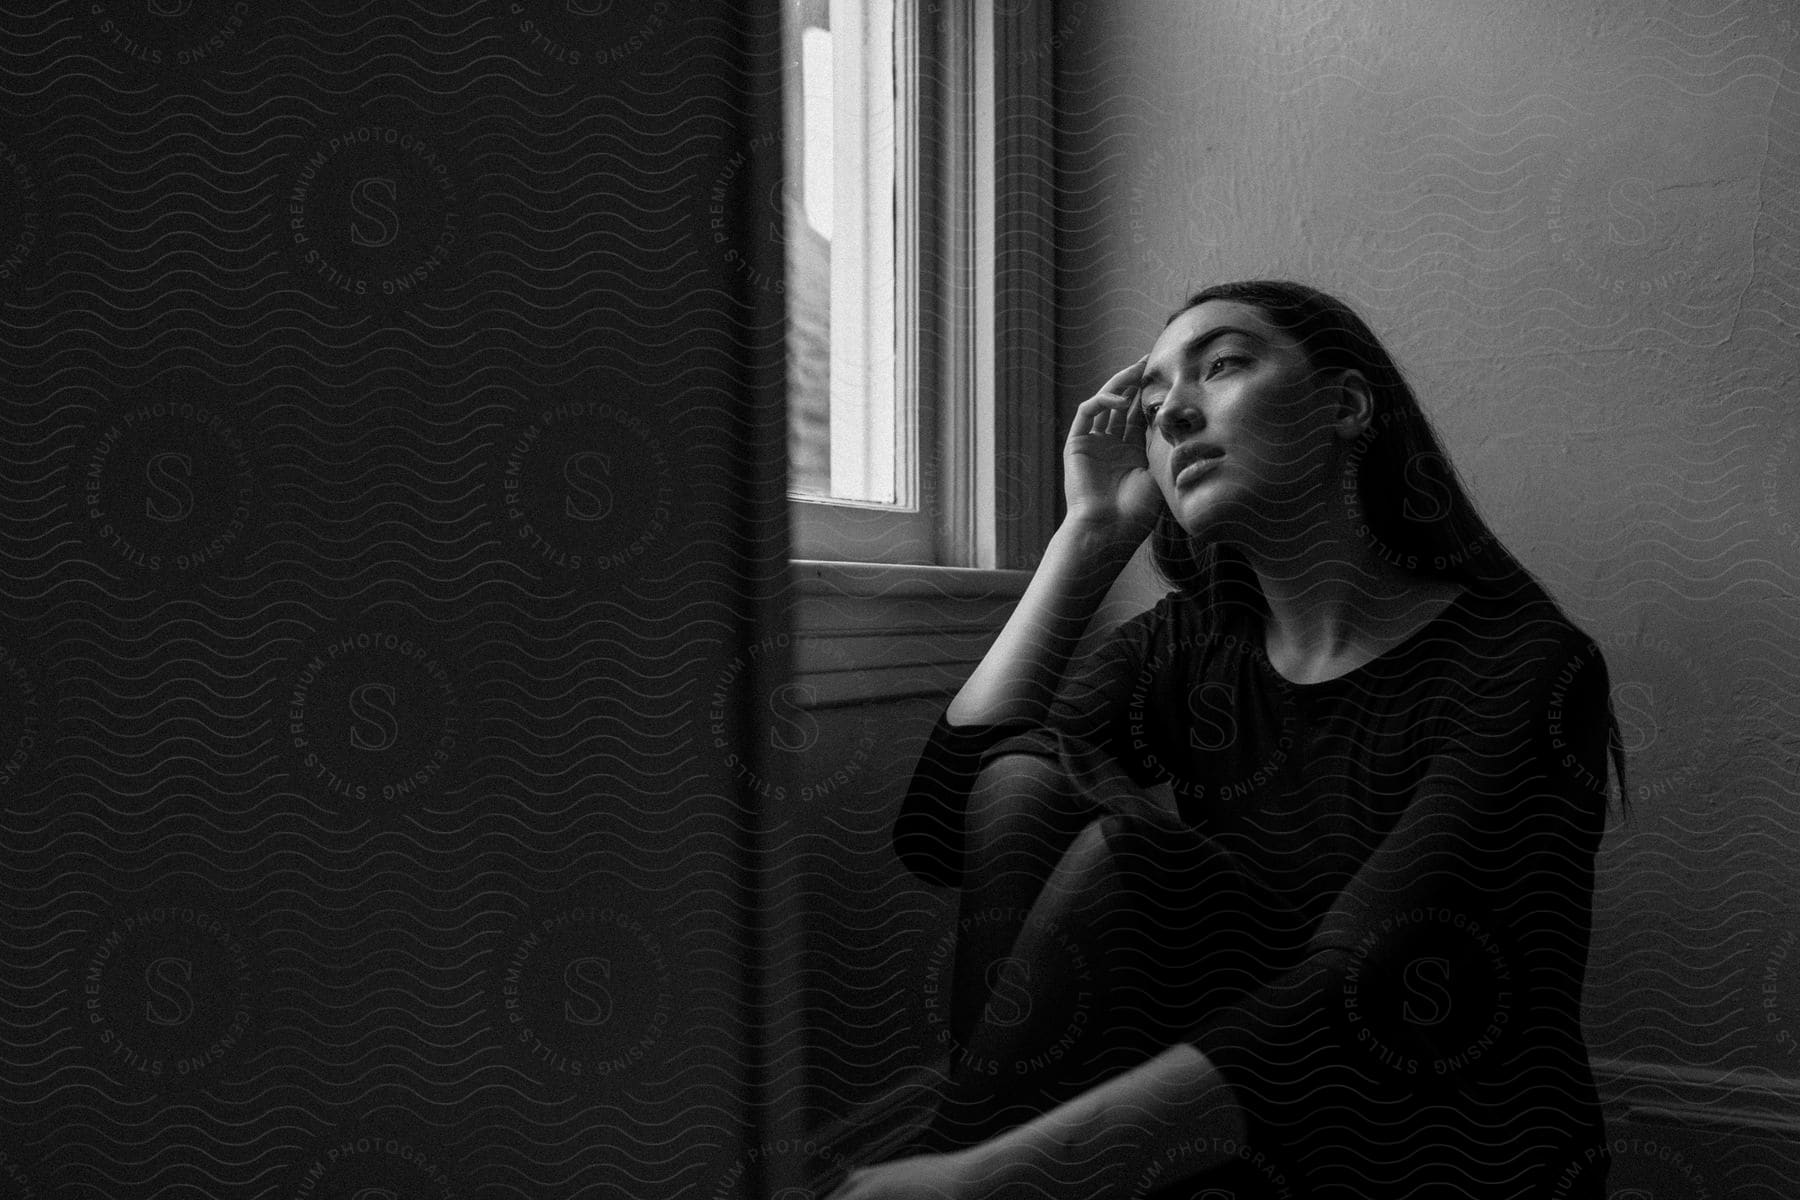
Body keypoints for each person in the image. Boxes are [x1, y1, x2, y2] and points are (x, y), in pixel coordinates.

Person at [825, 280, 1629, 1200]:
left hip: (1443, 1124)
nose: (1170, 411)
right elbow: (937, 831)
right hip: (1237, 1096)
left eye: (1222, 363)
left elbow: (1362, 988)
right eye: (1156, 392)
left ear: (1347, 404)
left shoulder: (1526, 662)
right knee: (1022, 782)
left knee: (1127, 858)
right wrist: (1087, 538)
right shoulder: (1194, 643)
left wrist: (982, 1177)